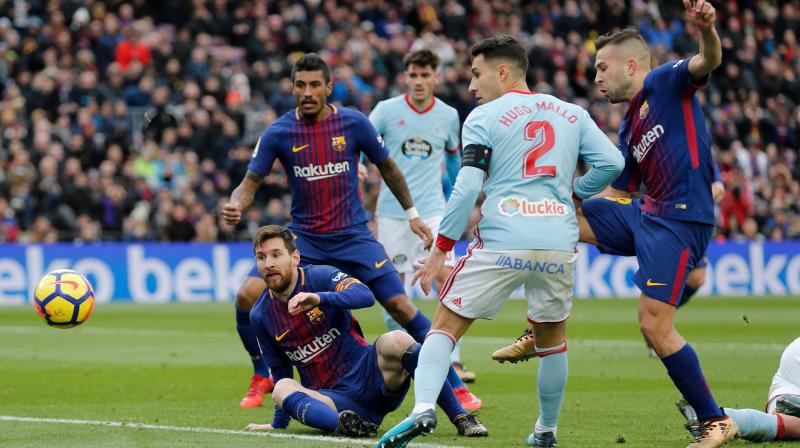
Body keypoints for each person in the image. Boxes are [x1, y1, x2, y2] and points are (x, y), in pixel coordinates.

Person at [377, 35, 624, 448]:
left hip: (504, 237)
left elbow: (467, 185)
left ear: (503, 72)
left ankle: (422, 410)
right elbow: (613, 163)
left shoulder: (484, 116)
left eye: (477, 74)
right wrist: (576, 189)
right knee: (551, 341)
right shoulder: (572, 112)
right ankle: (546, 430)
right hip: (557, 240)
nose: (471, 86)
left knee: (443, 328)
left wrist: (440, 251)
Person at [221, 53, 474, 410]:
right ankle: (261, 372)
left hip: (354, 236)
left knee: (401, 306)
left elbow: (388, 168)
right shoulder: (279, 131)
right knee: (247, 296)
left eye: (314, 85)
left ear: (328, 87)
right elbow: (250, 182)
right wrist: (237, 203)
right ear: (292, 88)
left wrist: (413, 214)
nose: (307, 92)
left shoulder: (353, 124)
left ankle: (453, 382)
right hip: (305, 240)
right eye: (300, 85)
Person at [241, 225, 487, 437]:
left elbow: (365, 295)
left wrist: (319, 298)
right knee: (282, 387)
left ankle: (461, 417)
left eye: (276, 255)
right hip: (331, 400)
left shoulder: (321, 276)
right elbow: (280, 370)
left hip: (372, 378)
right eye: (261, 257)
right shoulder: (261, 315)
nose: (269, 263)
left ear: (295, 257)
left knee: (398, 339)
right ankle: (347, 426)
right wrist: (277, 424)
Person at [369, 49, 479, 391]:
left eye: (424, 75)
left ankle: (453, 358)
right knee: (394, 287)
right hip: (391, 212)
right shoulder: (386, 111)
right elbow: (360, 144)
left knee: (449, 277)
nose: (418, 82)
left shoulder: (447, 116)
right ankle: (404, 357)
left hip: (433, 210)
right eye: (412, 75)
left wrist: (457, 203)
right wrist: (358, 164)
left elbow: (452, 166)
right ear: (405, 77)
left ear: (436, 77)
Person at [676, 337, 800, 442]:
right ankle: (707, 418)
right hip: (793, 370)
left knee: (791, 425)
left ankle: (707, 418)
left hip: (788, 380)